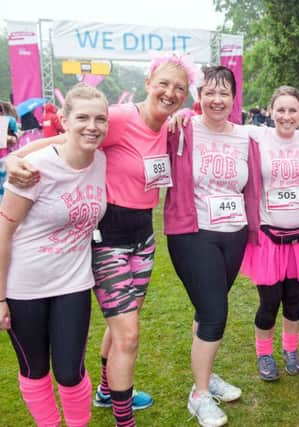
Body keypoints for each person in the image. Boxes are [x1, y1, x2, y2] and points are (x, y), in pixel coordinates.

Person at [5, 52, 194, 427]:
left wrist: (183, 116)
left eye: (179, 88)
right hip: (108, 238)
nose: (170, 93)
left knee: (123, 325)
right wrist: (15, 158)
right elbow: (65, 137)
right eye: (164, 84)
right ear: (148, 84)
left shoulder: (170, 126)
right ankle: (125, 420)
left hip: (143, 237)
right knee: (128, 333)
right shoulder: (120, 118)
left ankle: (108, 390)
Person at [0, 83, 108, 427]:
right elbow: (3, 233)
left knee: (70, 371)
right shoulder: (34, 168)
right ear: (63, 119)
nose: (92, 126)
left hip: (73, 283)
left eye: (100, 119)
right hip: (24, 288)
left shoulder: (102, 159)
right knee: (35, 369)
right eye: (83, 118)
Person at [165, 65, 247, 427]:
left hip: (234, 234)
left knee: (205, 308)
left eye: (223, 92)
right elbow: (137, 127)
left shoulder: (246, 136)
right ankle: (198, 395)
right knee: (215, 313)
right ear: (199, 96)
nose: (216, 99)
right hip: (193, 233)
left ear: (233, 97)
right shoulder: (182, 129)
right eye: (209, 92)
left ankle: (206, 374)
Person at [240, 86, 299, 381]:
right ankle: (264, 354)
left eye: (293, 110)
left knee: (294, 300)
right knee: (269, 301)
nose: (286, 116)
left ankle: (291, 349)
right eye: (281, 110)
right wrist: (183, 117)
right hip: (268, 239)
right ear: (271, 111)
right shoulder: (256, 135)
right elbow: (215, 125)